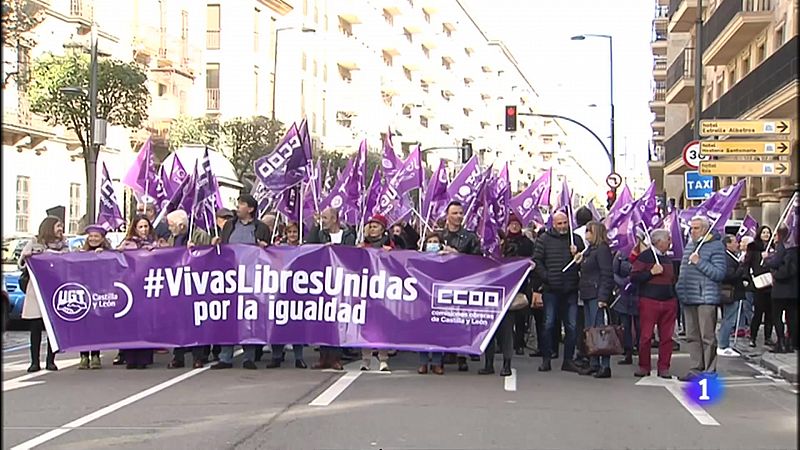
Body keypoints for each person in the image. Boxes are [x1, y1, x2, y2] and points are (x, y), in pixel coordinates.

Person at [209, 195, 270, 370]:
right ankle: (225, 357)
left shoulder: (261, 228)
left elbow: (270, 253)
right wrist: (216, 244)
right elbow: (223, 248)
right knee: (228, 315)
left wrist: (265, 247)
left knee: (248, 317)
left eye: (241, 204)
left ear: (250, 209)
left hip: (251, 278)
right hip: (230, 277)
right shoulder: (230, 225)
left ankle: (249, 357)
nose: (237, 207)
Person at [532, 211, 585, 373]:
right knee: (548, 324)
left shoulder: (575, 239)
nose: (563, 226)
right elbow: (537, 261)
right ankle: (546, 359)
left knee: (572, 326)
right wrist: (546, 277)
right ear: (553, 224)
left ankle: (568, 360)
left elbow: (583, 261)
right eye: (559, 223)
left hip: (570, 289)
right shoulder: (544, 239)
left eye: (565, 223)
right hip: (551, 289)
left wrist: (577, 255)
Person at [481, 214, 533, 377]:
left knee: (506, 330)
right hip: (489, 294)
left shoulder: (513, 247)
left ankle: (506, 363)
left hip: (508, 293)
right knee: (489, 331)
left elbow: (517, 264)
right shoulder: (484, 249)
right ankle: (488, 363)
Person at [675, 216, 727, 381]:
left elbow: (719, 273)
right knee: (692, 336)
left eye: (696, 228)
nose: (692, 231)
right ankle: (696, 368)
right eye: (691, 228)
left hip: (705, 298)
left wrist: (699, 262)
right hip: (689, 297)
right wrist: (679, 288)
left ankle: (709, 370)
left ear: (705, 229)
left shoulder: (716, 246)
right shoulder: (690, 245)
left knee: (707, 336)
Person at [306, 207, 357, 371]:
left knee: (337, 321)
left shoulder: (348, 236)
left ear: (334, 219)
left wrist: (337, 249)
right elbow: (309, 246)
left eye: (325, 218)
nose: (323, 221)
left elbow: (351, 255)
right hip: (323, 281)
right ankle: (323, 357)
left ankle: (335, 358)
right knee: (323, 319)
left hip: (341, 282)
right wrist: (315, 227)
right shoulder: (321, 234)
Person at [19, 216, 69, 372]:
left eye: (61, 226)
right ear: (49, 227)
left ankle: (50, 361)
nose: (60, 229)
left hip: (55, 290)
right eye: (58, 226)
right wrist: (28, 256)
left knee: (52, 328)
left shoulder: (64, 245)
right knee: (35, 327)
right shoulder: (35, 242)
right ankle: (34, 362)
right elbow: (22, 262)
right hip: (36, 291)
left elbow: (68, 262)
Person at [164, 209, 212, 369]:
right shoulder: (173, 238)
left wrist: (196, 250)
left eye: (171, 225)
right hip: (178, 283)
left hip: (196, 283)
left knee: (196, 321)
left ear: (181, 225)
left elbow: (208, 255)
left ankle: (199, 356)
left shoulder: (200, 235)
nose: (169, 228)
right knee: (179, 322)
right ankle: (178, 356)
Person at [440, 201, 483, 371]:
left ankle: (462, 355)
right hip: (442, 283)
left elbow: (478, 260)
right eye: (455, 213)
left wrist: (458, 255)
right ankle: (444, 352)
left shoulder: (470, 237)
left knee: (462, 320)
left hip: (463, 283)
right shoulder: (439, 235)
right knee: (443, 319)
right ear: (447, 215)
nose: (458, 216)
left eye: (460, 213)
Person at [631, 229, 678, 379]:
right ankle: (644, 366)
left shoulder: (669, 259)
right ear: (658, 242)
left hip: (668, 301)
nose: (670, 242)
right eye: (668, 239)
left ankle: (664, 367)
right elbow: (634, 277)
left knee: (667, 337)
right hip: (649, 300)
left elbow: (674, 279)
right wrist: (651, 273)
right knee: (646, 336)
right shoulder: (645, 257)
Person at [117, 214, 159, 369]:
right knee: (131, 323)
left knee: (146, 323)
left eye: (146, 226)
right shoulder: (127, 244)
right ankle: (130, 358)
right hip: (131, 287)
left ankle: (144, 358)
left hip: (148, 287)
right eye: (140, 226)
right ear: (135, 228)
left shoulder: (155, 243)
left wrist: (155, 251)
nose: (144, 229)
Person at [574, 221, 614, 378]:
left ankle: (605, 365)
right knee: (591, 330)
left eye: (588, 231)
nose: (586, 235)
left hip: (596, 294)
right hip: (587, 292)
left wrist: (603, 296)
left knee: (600, 330)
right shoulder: (590, 250)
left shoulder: (602, 249)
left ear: (595, 233)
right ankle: (594, 362)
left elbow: (606, 274)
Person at [266, 221, 307, 369]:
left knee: (297, 325)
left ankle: (299, 358)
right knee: (278, 324)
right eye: (290, 232)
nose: (292, 235)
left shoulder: (305, 248)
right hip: (281, 290)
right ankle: (276, 356)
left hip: (298, 290)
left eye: (295, 232)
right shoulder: (279, 248)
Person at [359, 214, 394, 371]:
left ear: (383, 229)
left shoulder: (390, 245)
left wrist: (391, 252)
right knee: (365, 324)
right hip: (366, 288)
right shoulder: (363, 245)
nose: (372, 229)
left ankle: (383, 358)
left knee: (382, 325)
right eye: (370, 226)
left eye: (375, 226)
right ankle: (365, 359)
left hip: (383, 289)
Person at [78, 225, 111, 370]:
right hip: (85, 292)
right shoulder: (80, 253)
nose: (93, 239)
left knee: (97, 325)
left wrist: (103, 255)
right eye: (91, 236)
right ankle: (84, 356)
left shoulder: (108, 253)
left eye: (96, 236)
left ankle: (96, 355)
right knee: (83, 325)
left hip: (100, 293)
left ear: (102, 239)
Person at [503, 214, 535, 356]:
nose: (514, 226)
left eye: (517, 223)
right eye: (512, 223)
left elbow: (532, 259)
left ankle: (519, 342)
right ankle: (503, 342)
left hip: (522, 281)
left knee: (521, 314)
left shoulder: (527, 243)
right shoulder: (503, 241)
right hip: (505, 282)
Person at [763, 225, 798, 353]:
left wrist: (766, 258)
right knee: (791, 317)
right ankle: (790, 343)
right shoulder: (795, 249)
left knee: (777, 316)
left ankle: (781, 342)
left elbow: (775, 262)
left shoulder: (782, 247)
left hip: (780, 289)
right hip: (794, 290)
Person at [612, 231, 644, 365]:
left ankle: (642, 352)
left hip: (639, 294)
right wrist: (622, 282)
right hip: (624, 294)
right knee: (625, 325)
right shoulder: (621, 253)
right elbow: (614, 272)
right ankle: (628, 352)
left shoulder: (646, 254)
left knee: (640, 326)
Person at [418, 231, 445, 375]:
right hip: (422, 298)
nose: (432, 245)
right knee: (423, 331)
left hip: (439, 298)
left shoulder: (445, 259)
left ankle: (436, 363)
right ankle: (423, 362)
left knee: (437, 332)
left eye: (435, 242)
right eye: (430, 242)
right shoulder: (419, 258)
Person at [744, 225, 775, 348]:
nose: (766, 235)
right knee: (758, 312)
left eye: (768, 233)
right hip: (759, 283)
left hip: (771, 284)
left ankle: (768, 337)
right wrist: (747, 279)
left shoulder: (773, 247)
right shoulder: (753, 247)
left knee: (770, 313)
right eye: (764, 232)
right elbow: (747, 264)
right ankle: (753, 336)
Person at [717, 235, 747, 357]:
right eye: (734, 242)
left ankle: (725, 343)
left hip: (735, 292)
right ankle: (723, 345)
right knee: (729, 319)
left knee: (730, 319)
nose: (737, 244)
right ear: (728, 244)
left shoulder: (731, 256)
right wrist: (741, 267)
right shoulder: (726, 258)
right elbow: (729, 276)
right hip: (731, 293)